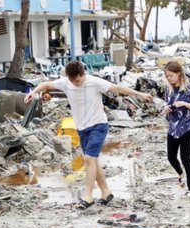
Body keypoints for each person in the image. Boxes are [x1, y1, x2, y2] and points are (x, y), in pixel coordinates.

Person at [25, 61, 153, 209]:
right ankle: (106, 192)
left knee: (89, 158)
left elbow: (117, 88)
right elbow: (46, 85)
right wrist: (33, 92)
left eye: (77, 80)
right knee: (93, 161)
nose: (75, 83)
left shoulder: (94, 82)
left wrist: (140, 94)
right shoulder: (66, 83)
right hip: (82, 128)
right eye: (72, 81)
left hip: (98, 125)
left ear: (83, 75)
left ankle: (88, 196)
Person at [161, 61, 190, 193]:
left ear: (179, 74)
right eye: (167, 76)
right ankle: (180, 173)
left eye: (171, 75)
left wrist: (183, 103)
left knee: (185, 158)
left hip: (186, 129)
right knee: (171, 157)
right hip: (172, 129)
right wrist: (166, 108)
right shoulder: (168, 89)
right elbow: (166, 104)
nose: (169, 78)